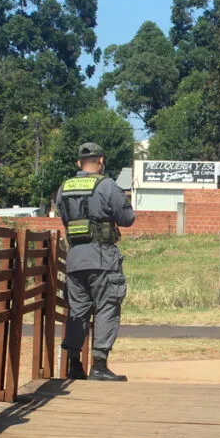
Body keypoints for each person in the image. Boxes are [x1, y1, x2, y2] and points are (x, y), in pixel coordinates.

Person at [55, 142, 136, 381]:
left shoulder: (64, 188)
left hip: (75, 258)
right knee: (107, 306)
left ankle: (73, 365)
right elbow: (127, 218)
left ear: (79, 163)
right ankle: (99, 365)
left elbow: (64, 218)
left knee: (77, 310)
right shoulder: (107, 185)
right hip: (102, 258)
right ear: (101, 160)